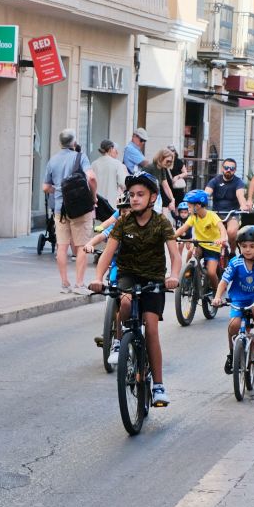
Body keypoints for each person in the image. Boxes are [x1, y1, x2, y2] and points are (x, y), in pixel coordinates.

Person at [88, 172, 181, 406]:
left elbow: (175, 255)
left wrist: (174, 276)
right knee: (126, 302)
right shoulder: (123, 222)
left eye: (141, 194)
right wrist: (98, 278)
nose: (135, 199)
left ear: (153, 197)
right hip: (128, 275)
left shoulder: (161, 222)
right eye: (132, 195)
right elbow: (107, 254)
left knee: (151, 328)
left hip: (153, 279)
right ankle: (120, 342)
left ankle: (158, 385)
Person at [212, 225, 254, 373]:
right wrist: (217, 297)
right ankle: (231, 354)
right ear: (239, 247)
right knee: (234, 326)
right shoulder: (235, 262)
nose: (248, 249)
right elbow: (224, 281)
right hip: (238, 299)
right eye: (244, 246)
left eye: (252, 246)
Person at [43, 129, 99, 294]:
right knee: (82, 246)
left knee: (62, 246)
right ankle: (79, 284)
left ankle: (64, 283)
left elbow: (45, 187)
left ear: (60, 143)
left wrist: (59, 190)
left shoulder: (52, 161)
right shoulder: (80, 157)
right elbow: (92, 177)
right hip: (80, 209)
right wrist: (93, 196)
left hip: (61, 210)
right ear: (74, 143)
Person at [174, 189, 224, 293]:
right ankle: (189, 277)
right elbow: (183, 228)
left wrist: (222, 238)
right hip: (201, 244)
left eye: (189, 206)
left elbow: (222, 229)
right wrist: (171, 236)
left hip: (213, 247)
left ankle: (216, 291)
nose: (188, 209)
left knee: (211, 272)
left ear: (197, 206)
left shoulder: (211, 215)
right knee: (193, 254)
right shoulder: (193, 217)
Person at [204, 157, 248, 246]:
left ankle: (232, 252)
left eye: (231, 168)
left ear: (235, 170)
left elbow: (240, 195)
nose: (228, 170)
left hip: (232, 214)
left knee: (231, 232)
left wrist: (243, 205)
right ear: (222, 168)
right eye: (226, 167)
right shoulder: (215, 181)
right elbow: (206, 193)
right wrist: (199, 201)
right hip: (216, 214)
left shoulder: (238, 182)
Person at [91, 139, 128, 206]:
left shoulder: (94, 164)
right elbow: (123, 183)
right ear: (111, 149)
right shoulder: (117, 164)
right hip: (111, 204)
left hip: (97, 204)